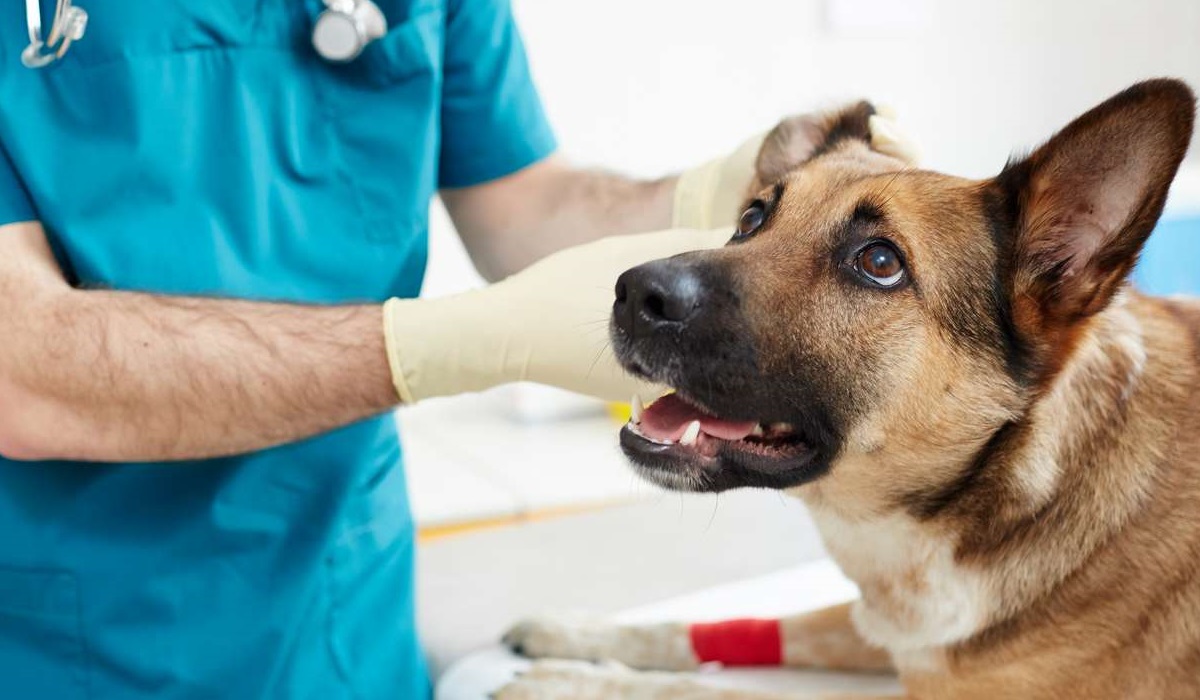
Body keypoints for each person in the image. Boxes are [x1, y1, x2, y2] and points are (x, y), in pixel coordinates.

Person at [0, 1, 913, 698]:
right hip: (71, 644)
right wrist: (435, 348)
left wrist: (724, 189)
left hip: (345, 629)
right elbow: (23, 371)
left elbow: (526, 211)